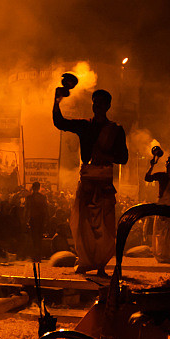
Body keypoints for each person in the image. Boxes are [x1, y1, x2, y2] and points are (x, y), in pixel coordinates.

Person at [53, 88, 128, 276]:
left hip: (104, 181)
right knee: (82, 223)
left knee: (105, 226)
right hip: (87, 178)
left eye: (102, 102)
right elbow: (60, 123)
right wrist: (57, 101)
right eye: (95, 102)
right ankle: (86, 261)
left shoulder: (116, 130)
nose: (98, 106)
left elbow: (123, 158)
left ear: (108, 106)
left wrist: (105, 155)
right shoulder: (84, 125)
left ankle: (101, 265)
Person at [24, 181, 48, 261]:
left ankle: (35, 255)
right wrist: (46, 220)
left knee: (34, 238)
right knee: (39, 238)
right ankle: (38, 255)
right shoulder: (43, 197)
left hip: (33, 219)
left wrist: (25, 220)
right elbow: (46, 209)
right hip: (40, 219)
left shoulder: (29, 198)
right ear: (39, 188)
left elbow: (27, 209)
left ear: (33, 187)